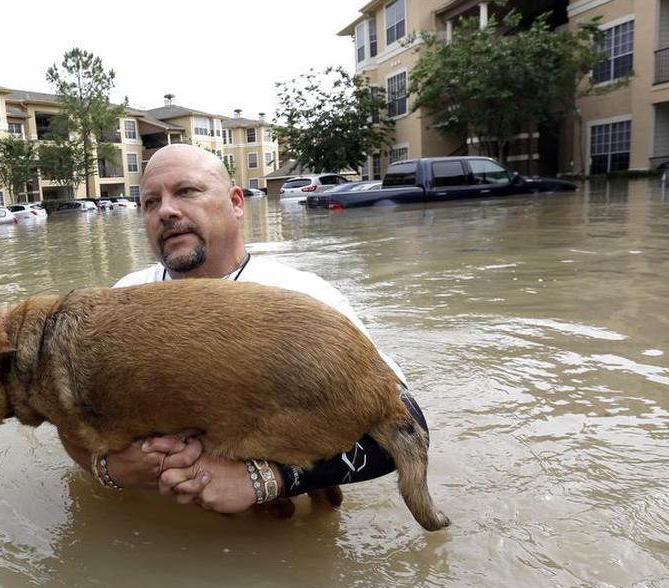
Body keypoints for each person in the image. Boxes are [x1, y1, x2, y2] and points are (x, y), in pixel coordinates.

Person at [58, 144, 427, 513]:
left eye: (187, 191)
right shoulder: (122, 301)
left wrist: (265, 480)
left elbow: (407, 427)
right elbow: (68, 416)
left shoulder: (303, 298)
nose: (166, 211)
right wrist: (111, 469)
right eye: (151, 203)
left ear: (236, 203)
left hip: (279, 541)